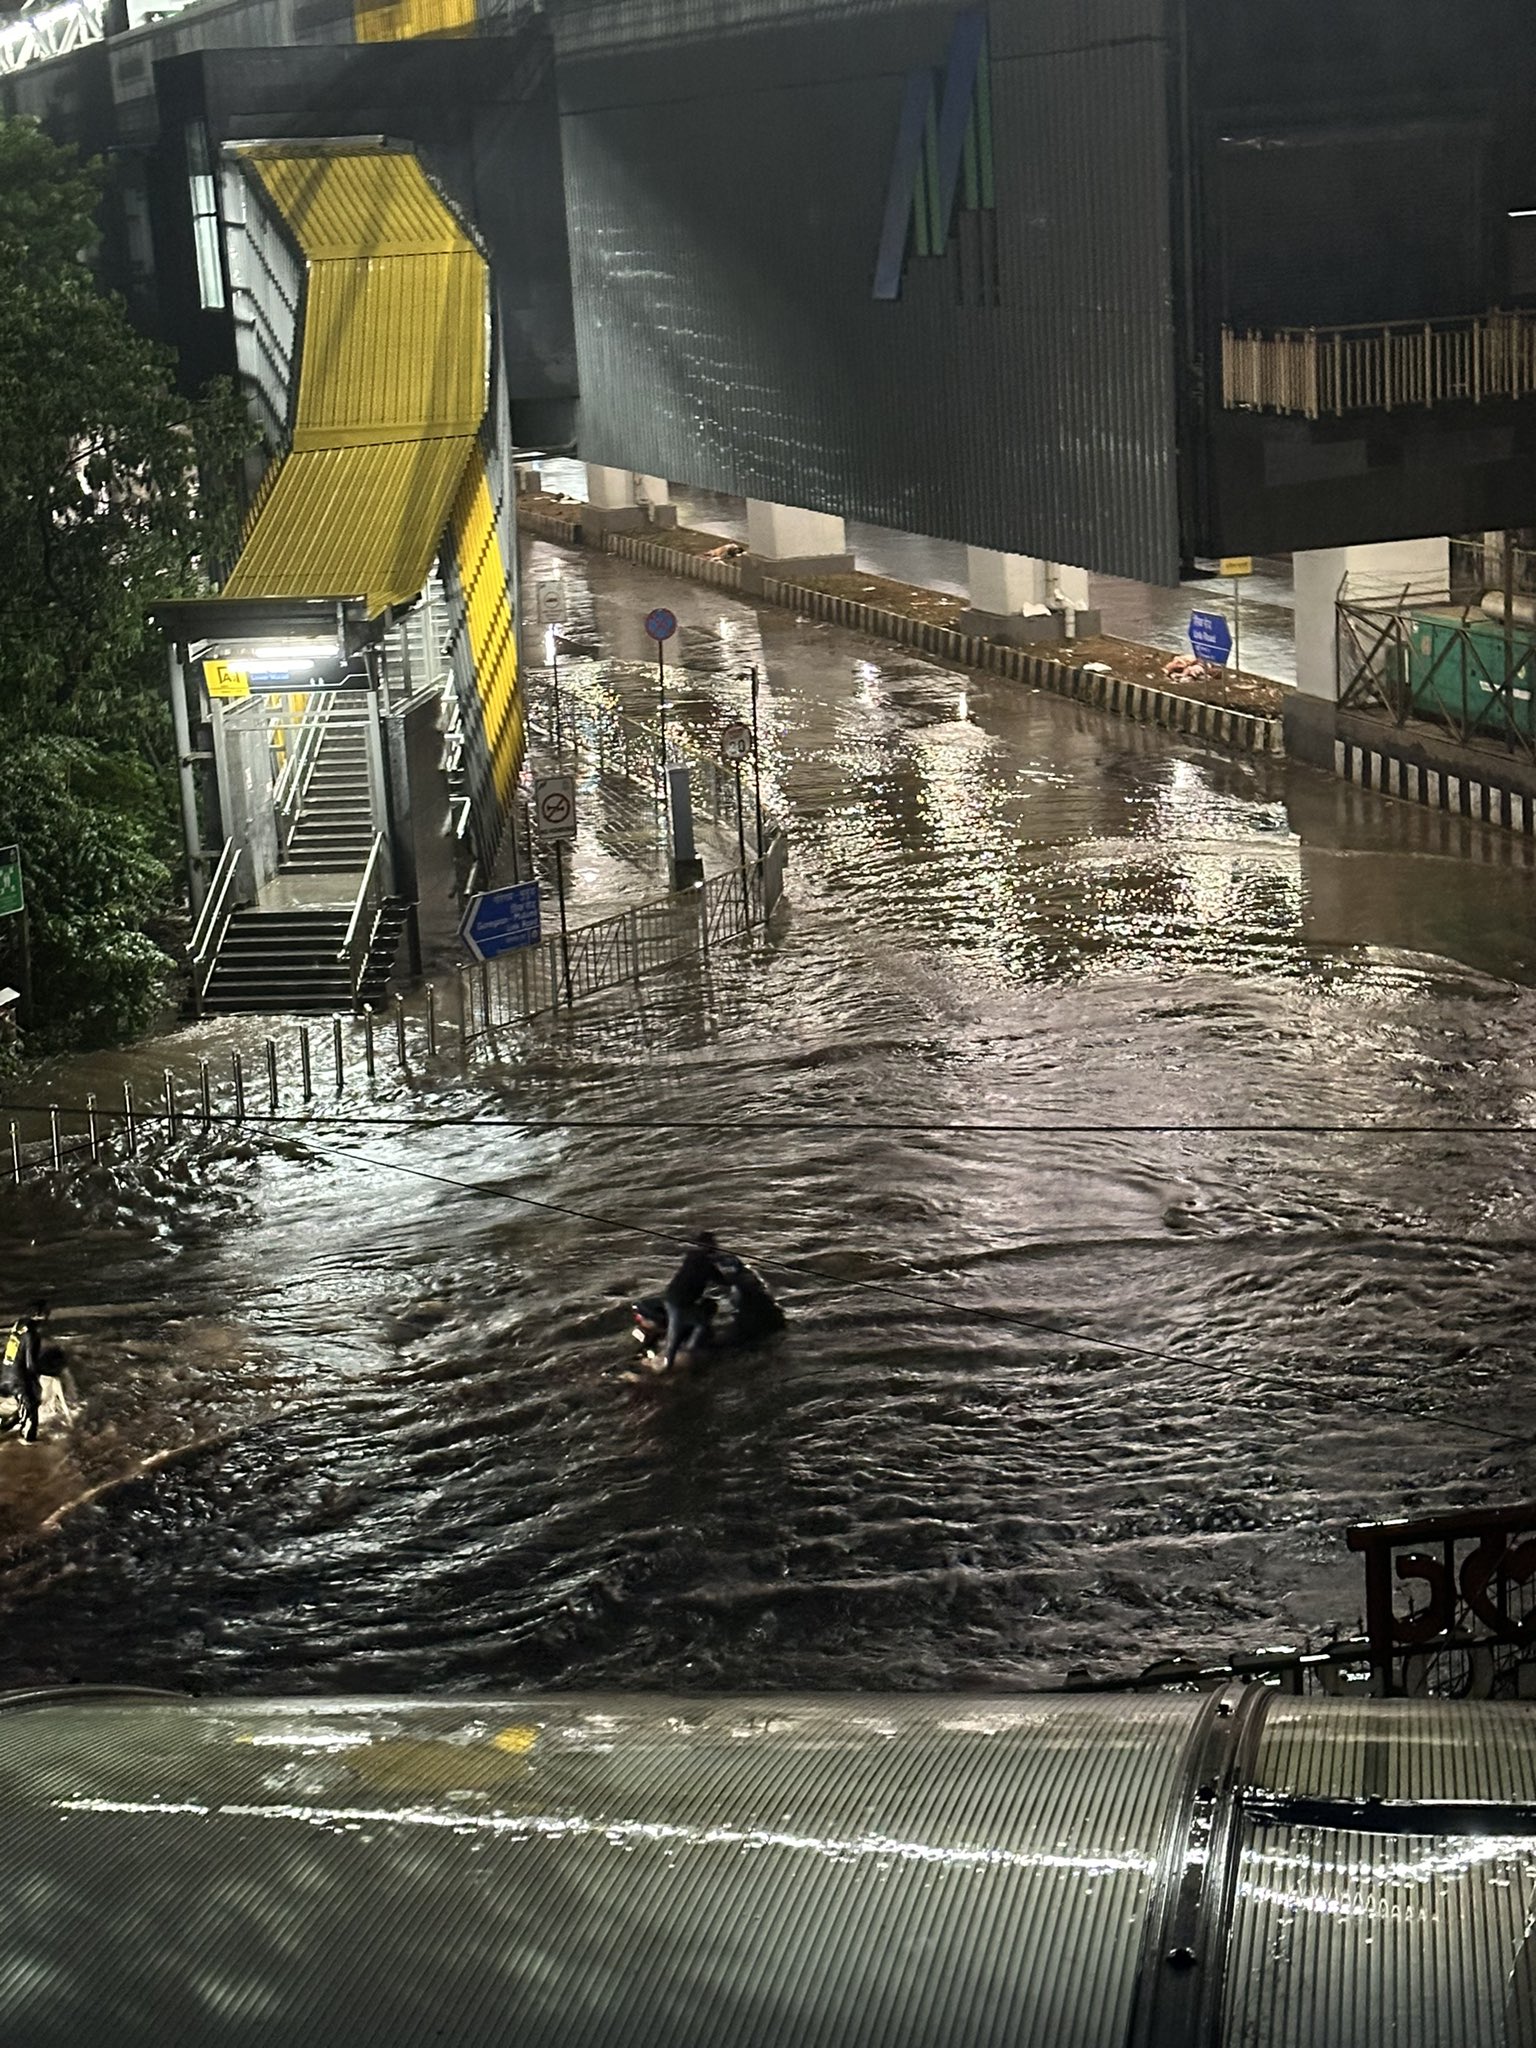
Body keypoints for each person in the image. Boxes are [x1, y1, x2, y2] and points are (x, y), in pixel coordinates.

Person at [662, 1230, 727, 1369]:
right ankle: (685, 1354)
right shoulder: (706, 1266)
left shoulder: (691, 1257)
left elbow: (711, 1258)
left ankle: (670, 1361)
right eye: (714, 1244)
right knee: (700, 1324)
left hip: (671, 1297)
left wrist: (718, 1258)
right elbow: (721, 1279)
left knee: (674, 1333)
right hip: (680, 1303)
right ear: (709, 1246)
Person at [0, 1307, 47, 1443]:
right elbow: (30, 1364)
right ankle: (30, 1441)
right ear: (39, 1315)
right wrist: (39, 1379)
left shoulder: (18, 1327)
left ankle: (9, 1425)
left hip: (6, 1373)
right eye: (46, 1314)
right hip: (18, 1379)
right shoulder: (31, 1334)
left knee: (23, 1409)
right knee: (31, 1405)